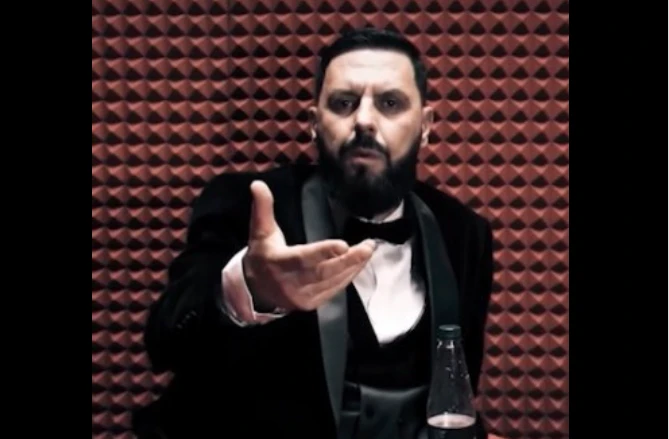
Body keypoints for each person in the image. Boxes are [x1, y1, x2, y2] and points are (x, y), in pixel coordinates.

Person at [132, 27, 494, 439]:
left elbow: (456, 390)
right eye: (343, 103)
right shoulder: (247, 205)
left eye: (390, 103)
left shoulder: (464, 232)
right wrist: (247, 289)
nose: (364, 120)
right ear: (314, 122)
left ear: (425, 125)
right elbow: (165, 342)